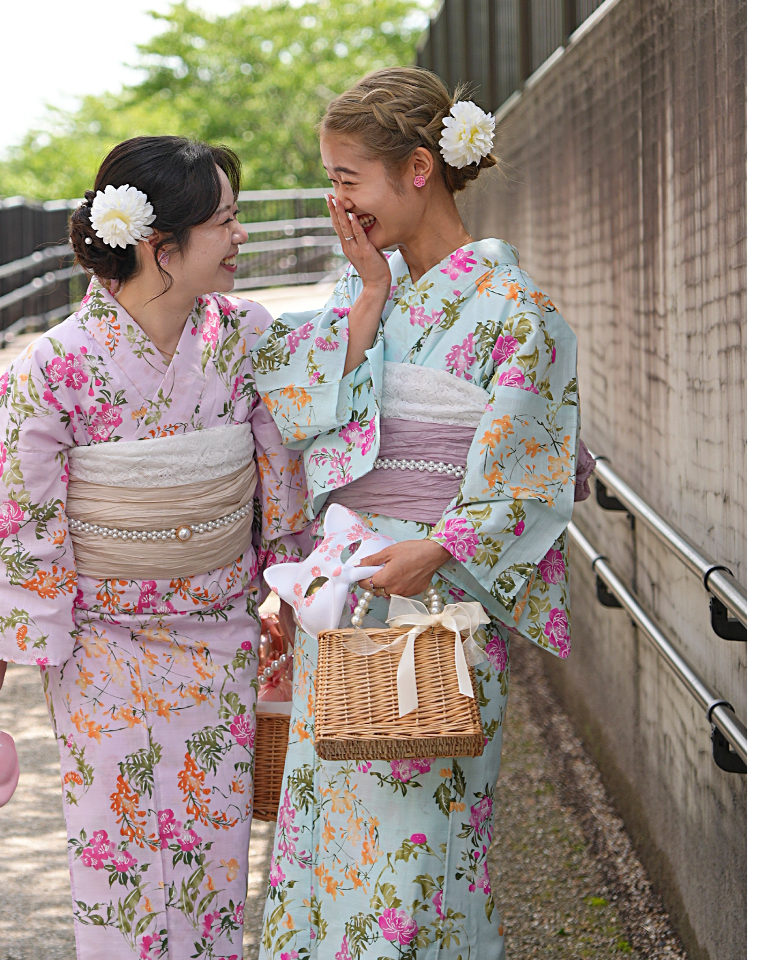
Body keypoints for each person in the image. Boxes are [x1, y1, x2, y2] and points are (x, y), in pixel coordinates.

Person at [251, 67, 588, 959]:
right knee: (325, 851)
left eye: (346, 179)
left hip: (436, 606)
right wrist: (366, 297)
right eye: (330, 182)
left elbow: (531, 477)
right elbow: (295, 416)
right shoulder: (359, 295)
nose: (337, 202)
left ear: (418, 169)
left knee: (414, 862)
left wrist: (435, 550)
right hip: (342, 595)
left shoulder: (519, 314)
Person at [0, 136, 311, 959]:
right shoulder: (53, 369)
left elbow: (283, 469)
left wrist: (290, 592)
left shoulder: (246, 338)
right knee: (116, 860)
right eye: (225, 222)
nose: (240, 238)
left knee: (213, 857)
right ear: (161, 248)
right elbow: (18, 518)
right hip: (101, 650)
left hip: (220, 637)